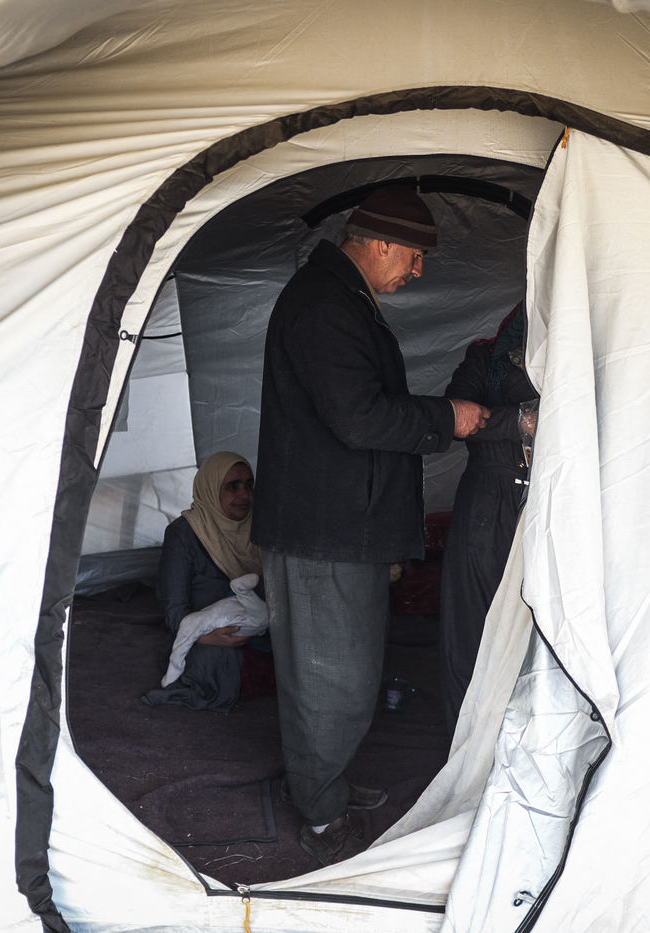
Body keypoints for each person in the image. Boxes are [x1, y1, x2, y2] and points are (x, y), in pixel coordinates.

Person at [253, 184, 490, 866]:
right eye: (414, 256)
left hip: (338, 527)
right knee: (328, 681)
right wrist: (447, 418)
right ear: (382, 242)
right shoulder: (325, 305)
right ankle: (320, 815)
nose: (418, 270)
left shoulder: (340, 296)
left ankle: (322, 781)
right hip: (322, 531)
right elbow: (359, 418)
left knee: (347, 676)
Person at [438, 303, 539, 725]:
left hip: (549, 499)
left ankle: (520, 741)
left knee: (538, 624)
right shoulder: (486, 355)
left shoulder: (573, 357)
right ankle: (467, 740)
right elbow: (455, 416)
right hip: (489, 500)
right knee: (475, 623)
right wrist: (520, 422)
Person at [142, 451, 263, 712]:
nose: (244, 495)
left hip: (254, 627)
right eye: (232, 486)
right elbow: (173, 608)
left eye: (249, 485)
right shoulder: (183, 534)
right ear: (210, 487)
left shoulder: (260, 527)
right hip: (204, 637)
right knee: (212, 661)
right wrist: (209, 637)